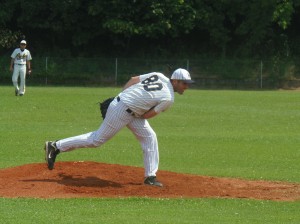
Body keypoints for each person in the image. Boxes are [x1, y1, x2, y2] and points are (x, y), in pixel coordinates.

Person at [44, 68, 194, 187]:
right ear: (175, 80)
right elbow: (149, 115)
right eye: (184, 83)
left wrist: (121, 97)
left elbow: (133, 80)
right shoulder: (168, 98)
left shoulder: (158, 75)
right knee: (97, 140)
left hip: (127, 108)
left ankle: (150, 177)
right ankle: (55, 145)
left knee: (150, 137)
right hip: (125, 111)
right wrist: (126, 107)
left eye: (187, 83)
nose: (186, 86)